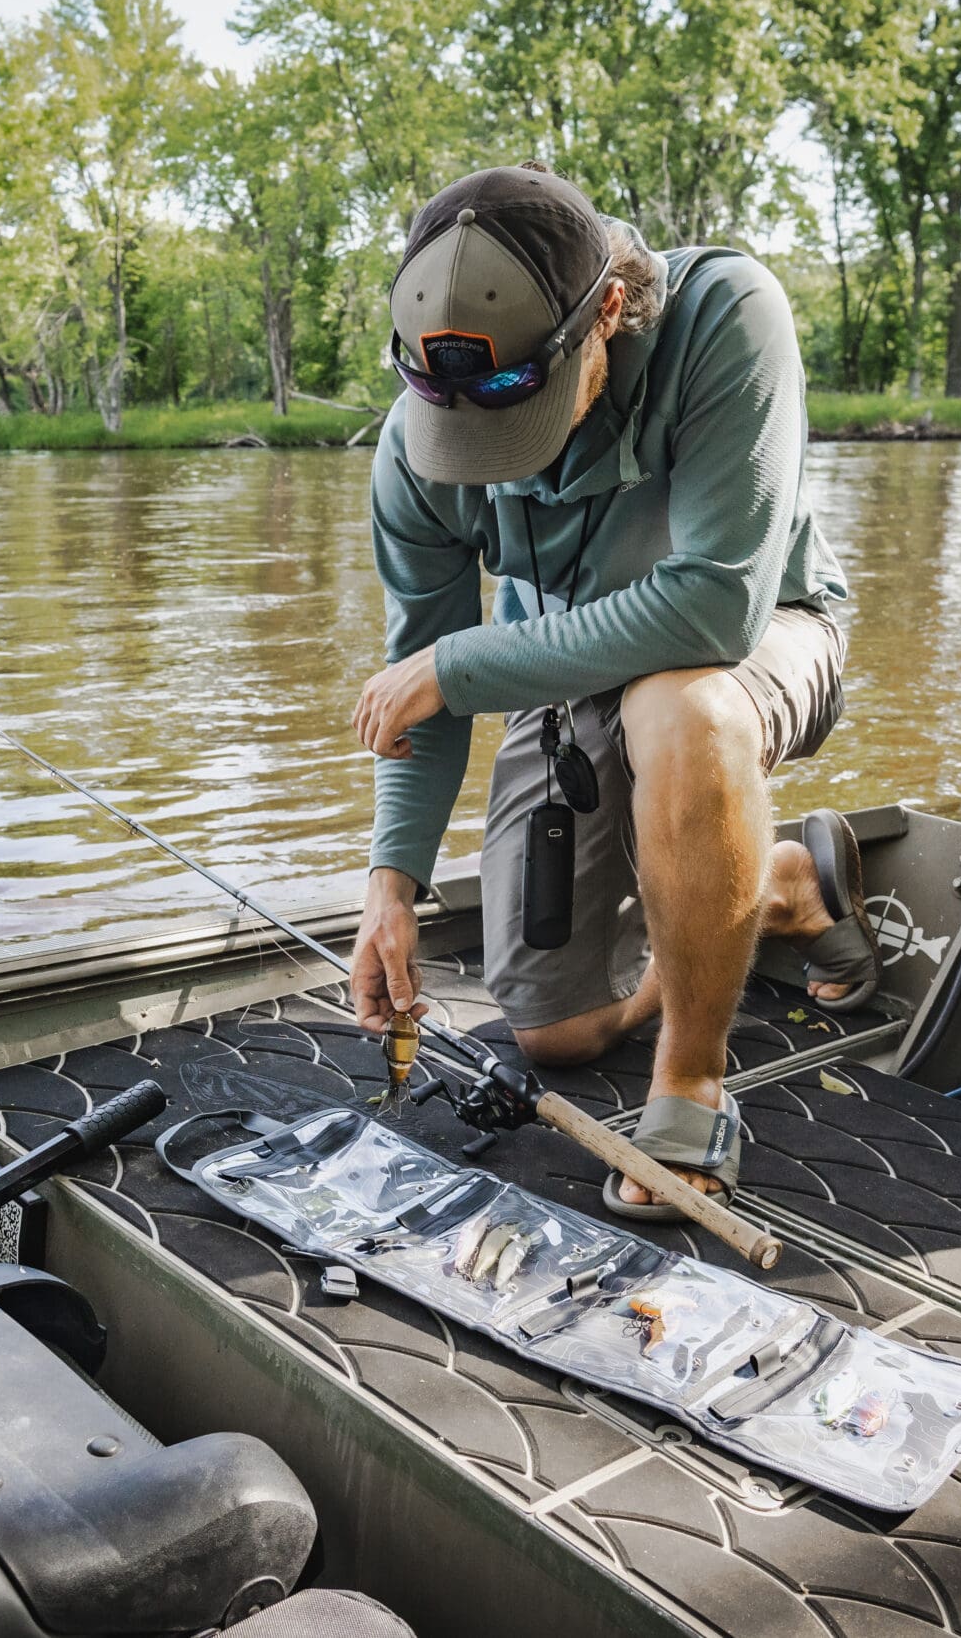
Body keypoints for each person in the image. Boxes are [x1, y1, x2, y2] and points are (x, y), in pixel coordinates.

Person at [346, 162, 877, 1219]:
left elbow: (713, 611)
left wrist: (458, 667)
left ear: (611, 312)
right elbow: (422, 682)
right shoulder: (415, 449)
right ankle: (776, 887)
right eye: (458, 417)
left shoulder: (730, 313)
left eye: (520, 407)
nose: (490, 452)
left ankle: (691, 1083)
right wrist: (390, 885)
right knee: (558, 1033)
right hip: (561, 669)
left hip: (756, 639)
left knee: (678, 705)